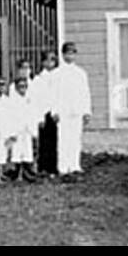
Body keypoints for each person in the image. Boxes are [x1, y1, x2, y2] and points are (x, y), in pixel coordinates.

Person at [53, 42, 92, 177]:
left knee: (75, 138)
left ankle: (75, 164)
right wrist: (55, 111)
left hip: (77, 110)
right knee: (63, 139)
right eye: (67, 53)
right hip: (63, 111)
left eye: (72, 53)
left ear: (75, 55)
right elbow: (54, 94)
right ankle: (63, 167)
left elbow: (85, 93)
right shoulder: (57, 74)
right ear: (62, 55)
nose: (70, 56)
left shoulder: (81, 74)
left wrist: (86, 111)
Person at [32, 51, 59, 176]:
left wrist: (56, 111)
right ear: (43, 62)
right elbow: (37, 99)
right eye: (47, 60)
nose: (50, 63)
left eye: (53, 60)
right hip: (43, 113)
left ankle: (53, 167)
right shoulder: (38, 79)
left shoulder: (58, 77)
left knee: (54, 140)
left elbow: (58, 97)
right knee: (44, 141)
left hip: (54, 113)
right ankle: (43, 167)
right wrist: (39, 117)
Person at [7, 77, 39, 181]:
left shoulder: (30, 100)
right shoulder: (12, 101)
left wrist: (33, 130)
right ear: (16, 88)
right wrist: (12, 132)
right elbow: (10, 117)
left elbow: (32, 115)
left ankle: (26, 172)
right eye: (20, 87)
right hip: (17, 130)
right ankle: (17, 173)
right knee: (17, 152)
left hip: (27, 130)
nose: (23, 89)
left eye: (25, 87)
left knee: (27, 152)